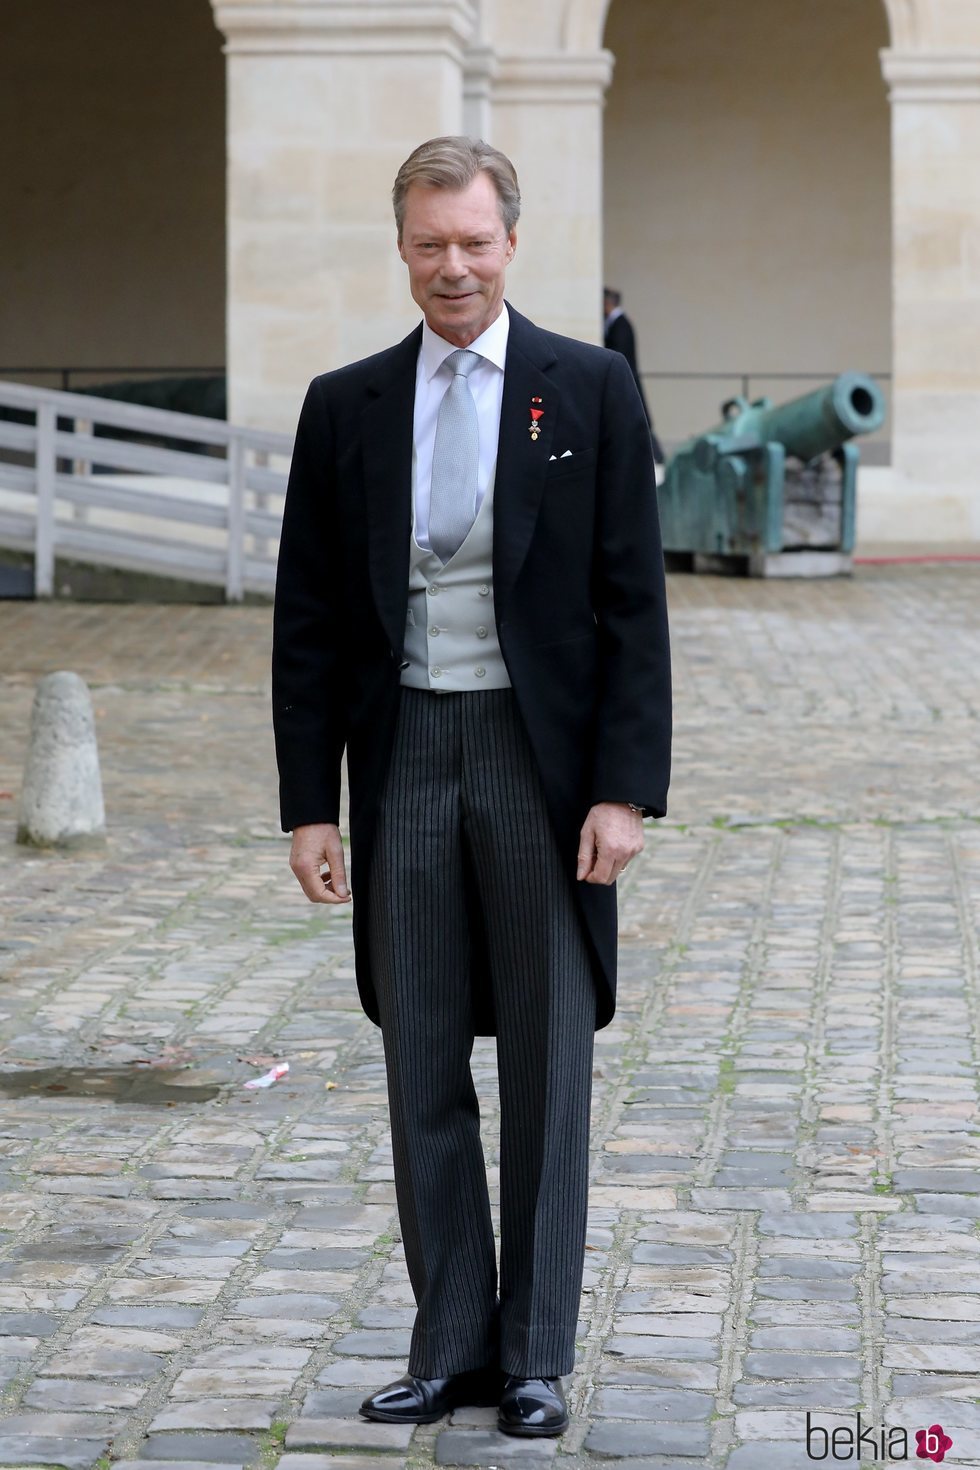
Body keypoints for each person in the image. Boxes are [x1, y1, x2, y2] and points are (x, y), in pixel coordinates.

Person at [272, 136, 671, 1440]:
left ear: (512, 241)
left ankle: (539, 1350)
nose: (454, 265)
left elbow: (630, 608)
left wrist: (623, 791)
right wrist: (309, 799)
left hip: (537, 764)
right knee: (422, 1057)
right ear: (402, 246)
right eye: (430, 243)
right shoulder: (349, 406)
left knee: (550, 1062)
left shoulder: (587, 391)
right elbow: (312, 620)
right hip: (404, 761)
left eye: (475, 241)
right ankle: (452, 1339)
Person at [603, 286, 665, 464]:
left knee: (639, 420)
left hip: (626, 379)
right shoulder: (618, 323)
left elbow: (619, 355)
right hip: (626, 378)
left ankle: (657, 457)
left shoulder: (621, 324)